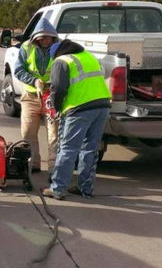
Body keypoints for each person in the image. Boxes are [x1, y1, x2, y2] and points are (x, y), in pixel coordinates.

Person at [42, 39, 111, 200]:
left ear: (56, 54)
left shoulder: (61, 61)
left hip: (80, 108)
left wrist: (56, 107)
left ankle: (58, 188)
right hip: (102, 106)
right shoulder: (88, 56)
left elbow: (58, 88)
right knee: (90, 148)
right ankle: (85, 188)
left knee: (68, 148)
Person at [14, 18, 59, 175]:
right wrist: (34, 81)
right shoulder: (26, 47)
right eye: (41, 37)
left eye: (47, 37)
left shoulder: (59, 49)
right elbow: (18, 70)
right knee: (28, 133)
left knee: (54, 136)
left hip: (51, 98)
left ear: (53, 36)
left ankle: (55, 169)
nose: (44, 40)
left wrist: (52, 85)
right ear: (36, 37)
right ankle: (33, 164)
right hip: (31, 97)